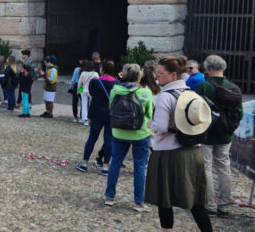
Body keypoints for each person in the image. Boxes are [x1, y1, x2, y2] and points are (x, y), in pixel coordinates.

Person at [146, 55, 212, 232]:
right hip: (193, 152)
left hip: (168, 153)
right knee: (196, 202)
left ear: (173, 75)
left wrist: (150, 124)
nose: (156, 76)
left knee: (164, 199)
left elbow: (161, 126)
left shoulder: (165, 97)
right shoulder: (191, 93)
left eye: (160, 73)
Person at [196, 54, 242, 218]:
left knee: (206, 168)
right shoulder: (234, 88)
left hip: (207, 134)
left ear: (208, 69)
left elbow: (195, 110)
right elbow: (239, 114)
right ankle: (223, 206)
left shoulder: (204, 86)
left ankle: (209, 204)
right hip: (225, 136)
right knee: (224, 169)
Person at [104, 63, 153, 212]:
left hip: (119, 131)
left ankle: (109, 196)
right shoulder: (145, 93)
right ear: (139, 76)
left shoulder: (115, 90)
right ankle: (138, 202)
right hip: (140, 133)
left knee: (115, 163)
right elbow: (149, 114)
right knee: (139, 166)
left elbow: (111, 107)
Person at [76, 60, 118, 175]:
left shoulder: (95, 82)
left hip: (96, 113)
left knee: (92, 137)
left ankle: (85, 163)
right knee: (109, 140)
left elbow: (92, 94)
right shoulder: (117, 83)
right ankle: (105, 166)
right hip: (110, 114)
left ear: (102, 69)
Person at [78, 60, 99, 125]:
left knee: (84, 105)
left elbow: (79, 83)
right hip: (92, 91)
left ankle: (85, 120)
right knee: (92, 105)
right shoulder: (95, 74)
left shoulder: (83, 73)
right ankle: (92, 119)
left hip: (84, 90)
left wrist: (78, 91)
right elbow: (98, 83)